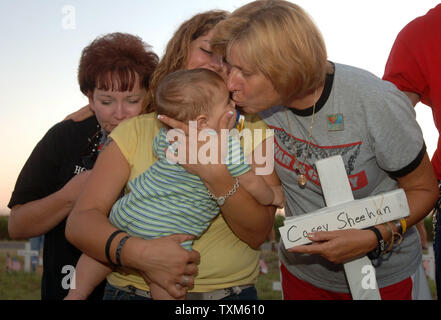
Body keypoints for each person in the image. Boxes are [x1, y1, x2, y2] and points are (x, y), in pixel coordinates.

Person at [173, 0, 439, 300]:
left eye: (244, 72)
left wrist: (374, 237)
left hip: (384, 278)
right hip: (302, 276)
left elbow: (424, 191)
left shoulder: (375, 102)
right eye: (230, 66)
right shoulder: (251, 106)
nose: (230, 82)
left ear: (285, 68)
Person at [66, 10, 278, 300]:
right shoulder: (137, 128)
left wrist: (213, 173)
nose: (217, 64)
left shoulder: (255, 130)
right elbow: (80, 223)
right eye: (207, 50)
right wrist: (141, 254)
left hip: (231, 296)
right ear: (180, 53)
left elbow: (258, 233)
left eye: (228, 57)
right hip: (130, 291)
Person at [6, 32, 183, 299]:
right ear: (90, 98)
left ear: (149, 96)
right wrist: (70, 196)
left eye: (132, 101)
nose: (120, 113)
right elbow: (17, 227)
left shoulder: (165, 139)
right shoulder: (65, 136)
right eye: (106, 101)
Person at [383, 4, 441, 299]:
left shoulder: (420, 33)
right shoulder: (421, 34)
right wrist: (411, 204)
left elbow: (390, 123)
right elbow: (390, 124)